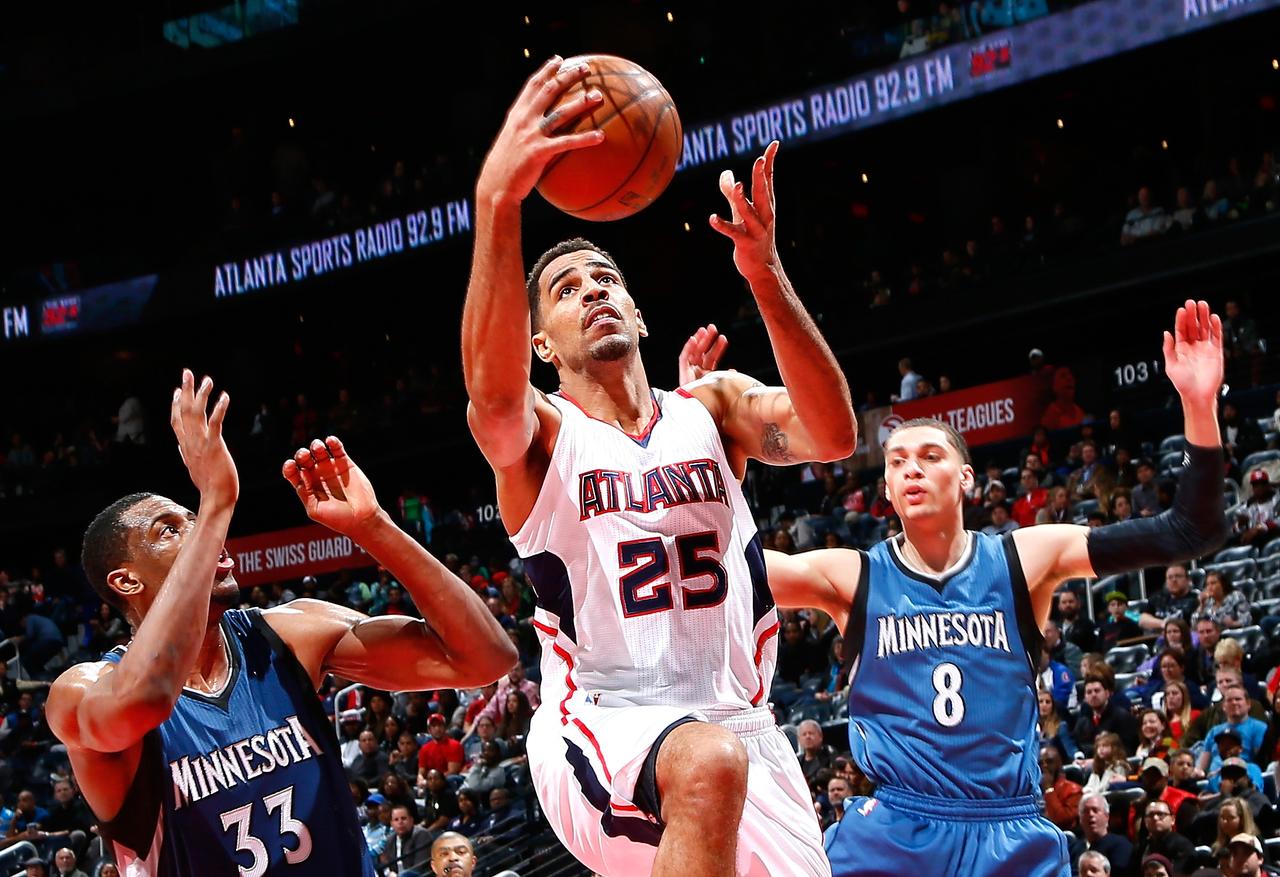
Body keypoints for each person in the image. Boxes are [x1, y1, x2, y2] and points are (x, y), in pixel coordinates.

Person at [460, 57, 855, 877]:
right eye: (567, 290)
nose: (593, 291)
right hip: (604, 718)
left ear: (638, 311)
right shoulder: (542, 432)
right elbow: (491, 403)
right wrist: (498, 201)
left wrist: (766, 276)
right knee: (705, 762)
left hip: (742, 724)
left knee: (718, 758)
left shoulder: (711, 408)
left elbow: (832, 432)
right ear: (541, 343)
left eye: (606, 278)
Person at [708, 301, 1228, 876]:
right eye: (898, 460)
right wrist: (703, 452)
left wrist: (1199, 404)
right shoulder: (852, 574)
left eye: (930, 457)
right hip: (893, 833)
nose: (911, 469)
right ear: (884, 484)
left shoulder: (1024, 556)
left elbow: (1189, 528)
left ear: (966, 478)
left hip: (1009, 833)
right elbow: (716, 566)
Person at [46, 372, 517, 876]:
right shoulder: (79, 694)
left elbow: (485, 658)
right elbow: (146, 697)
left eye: (195, 520)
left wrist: (372, 526)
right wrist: (213, 505)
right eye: (169, 530)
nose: (208, 535)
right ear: (126, 581)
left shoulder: (287, 634)